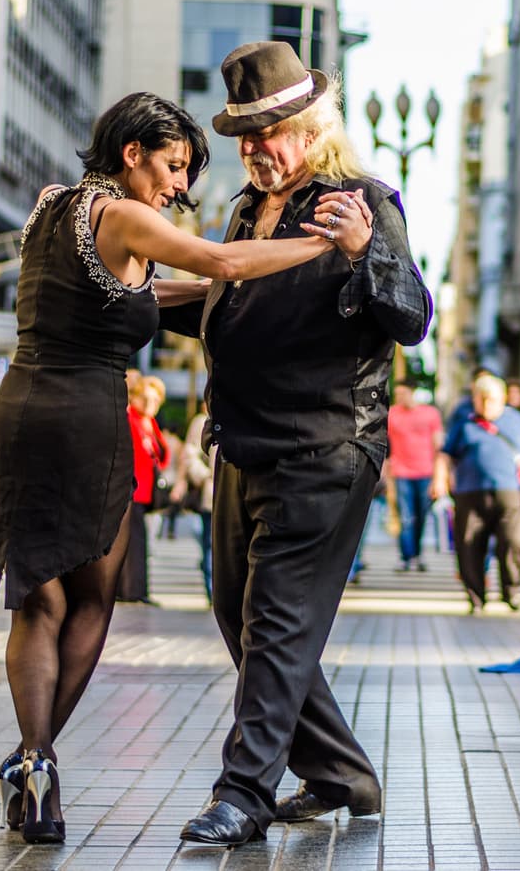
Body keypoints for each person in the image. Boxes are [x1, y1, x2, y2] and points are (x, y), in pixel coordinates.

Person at [0, 90, 331, 845]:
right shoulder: (126, 213)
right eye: (172, 165)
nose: (179, 186)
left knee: (40, 603)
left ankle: (34, 767)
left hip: (19, 413)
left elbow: (138, 292)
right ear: (132, 154)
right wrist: (320, 244)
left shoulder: (53, 205)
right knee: (92, 600)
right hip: (86, 422)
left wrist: (217, 288)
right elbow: (222, 256)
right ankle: (34, 758)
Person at [158, 43, 431, 846]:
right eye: (246, 138)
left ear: (313, 129)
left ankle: (244, 791)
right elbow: (225, 301)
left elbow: (412, 314)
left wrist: (364, 252)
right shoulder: (248, 211)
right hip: (243, 443)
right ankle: (343, 774)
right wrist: (123, 290)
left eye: (269, 133)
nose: (256, 150)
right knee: (239, 609)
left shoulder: (363, 200)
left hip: (325, 447)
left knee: (275, 620)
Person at [433, 373, 520, 613]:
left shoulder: (517, 420)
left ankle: (511, 591)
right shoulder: (464, 424)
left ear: (503, 399)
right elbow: (445, 454)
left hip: (509, 492)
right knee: (469, 544)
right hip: (469, 492)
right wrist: (439, 479)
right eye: (481, 399)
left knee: (514, 542)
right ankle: (476, 597)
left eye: (491, 399)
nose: (485, 404)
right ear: (474, 399)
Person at [119, 376, 169, 604]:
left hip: (144, 490)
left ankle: (134, 589)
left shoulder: (150, 423)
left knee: (137, 541)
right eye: (147, 398)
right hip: (131, 490)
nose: (152, 404)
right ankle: (133, 590)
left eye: (156, 400)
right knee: (133, 541)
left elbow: (162, 455)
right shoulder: (130, 418)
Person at [386, 382, 443, 573]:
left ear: (413, 393)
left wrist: (439, 476)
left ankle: (417, 555)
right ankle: (405, 557)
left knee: (421, 517)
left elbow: (438, 446)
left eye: (403, 393)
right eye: (397, 394)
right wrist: (387, 476)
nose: (400, 397)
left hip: (425, 472)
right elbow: (386, 446)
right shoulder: (392, 414)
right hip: (401, 473)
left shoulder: (430, 414)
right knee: (406, 517)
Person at [173, 403, 215, 601]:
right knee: (210, 542)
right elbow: (190, 454)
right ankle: (213, 591)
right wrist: (205, 475)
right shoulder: (201, 421)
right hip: (212, 491)